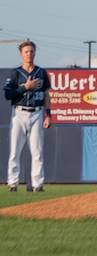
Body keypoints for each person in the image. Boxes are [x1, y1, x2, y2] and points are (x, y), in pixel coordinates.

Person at [5, 40, 51, 192]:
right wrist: (25, 87)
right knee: (14, 151)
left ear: (35, 53)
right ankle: (13, 183)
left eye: (31, 51)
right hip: (19, 113)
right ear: (21, 54)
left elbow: (46, 94)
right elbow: (8, 94)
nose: (29, 54)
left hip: (36, 112)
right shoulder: (15, 73)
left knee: (37, 151)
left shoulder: (41, 72)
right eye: (26, 51)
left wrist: (48, 115)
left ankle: (38, 184)